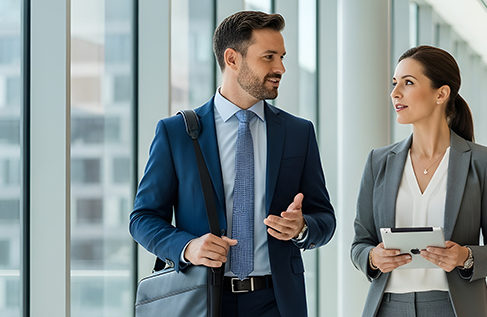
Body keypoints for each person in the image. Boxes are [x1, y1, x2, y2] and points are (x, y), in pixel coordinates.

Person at [130, 11, 335, 317]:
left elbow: (325, 219)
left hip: (277, 302)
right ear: (232, 58)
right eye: (269, 57)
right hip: (202, 299)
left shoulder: (298, 133)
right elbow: (143, 218)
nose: (280, 67)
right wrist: (188, 247)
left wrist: (303, 227)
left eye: (281, 57)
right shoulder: (177, 133)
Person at [351, 45, 487, 317]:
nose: (395, 93)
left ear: (441, 93)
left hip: (454, 307)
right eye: (395, 83)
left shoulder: (482, 162)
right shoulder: (378, 162)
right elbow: (360, 243)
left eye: (408, 82)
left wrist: (465, 257)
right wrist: (372, 258)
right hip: (388, 307)